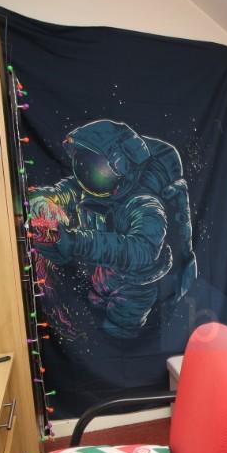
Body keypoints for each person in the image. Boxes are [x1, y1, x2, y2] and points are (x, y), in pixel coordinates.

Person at [29, 119, 196, 339]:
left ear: (122, 167)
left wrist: (76, 242)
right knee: (98, 309)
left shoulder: (144, 203)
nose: (87, 172)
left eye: (97, 167)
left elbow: (143, 250)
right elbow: (61, 193)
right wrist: (43, 204)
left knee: (119, 331)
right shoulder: (87, 185)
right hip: (104, 273)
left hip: (135, 286)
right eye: (82, 163)